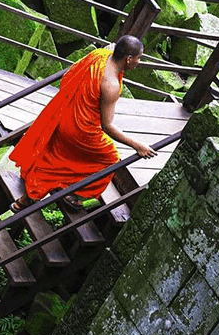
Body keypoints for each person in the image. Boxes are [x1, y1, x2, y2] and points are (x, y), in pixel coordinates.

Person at [9, 35, 156, 212]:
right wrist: (137, 145)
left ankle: (25, 200)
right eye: (139, 57)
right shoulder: (110, 85)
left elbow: (69, 75)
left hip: (64, 115)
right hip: (80, 129)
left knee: (54, 156)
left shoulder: (99, 55)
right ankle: (75, 195)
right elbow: (107, 126)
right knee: (110, 159)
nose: (139, 62)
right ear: (128, 59)